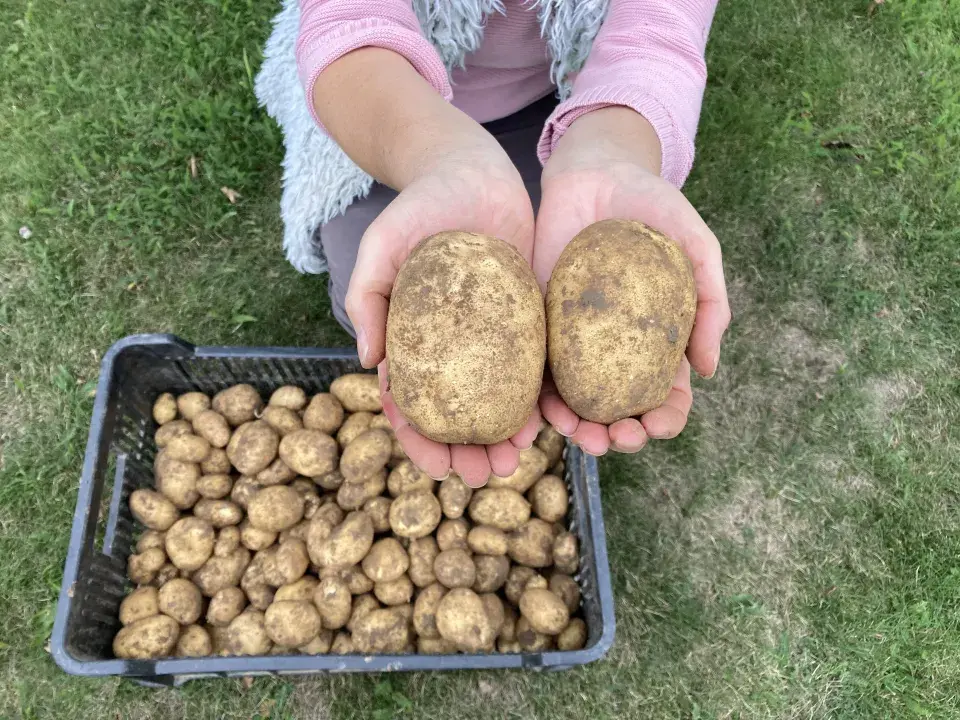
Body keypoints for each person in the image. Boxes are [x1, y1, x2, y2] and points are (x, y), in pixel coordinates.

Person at [296, 0, 731, 487]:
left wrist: (617, 149)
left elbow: (660, 30)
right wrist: (440, 160)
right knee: (360, 277)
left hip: (570, 97)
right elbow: (346, 21)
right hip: (384, 103)